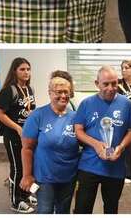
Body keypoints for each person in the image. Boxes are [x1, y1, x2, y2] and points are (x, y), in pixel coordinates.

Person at [73, 66, 131, 214]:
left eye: (114, 83)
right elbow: (78, 131)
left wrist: (120, 147)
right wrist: (95, 144)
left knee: (111, 209)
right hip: (89, 166)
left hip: (115, 168)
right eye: (105, 84)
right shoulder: (86, 103)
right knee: (82, 209)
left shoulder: (127, 104)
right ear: (97, 83)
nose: (111, 88)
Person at [20, 74, 79, 214]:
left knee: (63, 211)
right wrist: (27, 175)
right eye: (59, 92)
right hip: (45, 177)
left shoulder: (75, 117)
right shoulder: (37, 116)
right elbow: (27, 148)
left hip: (69, 177)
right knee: (45, 211)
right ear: (50, 93)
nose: (63, 95)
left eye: (66, 92)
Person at [0, 58, 36, 213]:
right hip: (13, 136)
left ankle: (25, 194)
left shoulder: (28, 89)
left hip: (28, 135)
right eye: (22, 69)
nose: (26, 72)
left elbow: (30, 109)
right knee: (17, 168)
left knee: (27, 167)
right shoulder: (8, 90)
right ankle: (15, 201)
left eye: (28, 69)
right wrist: (18, 128)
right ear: (14, 71)